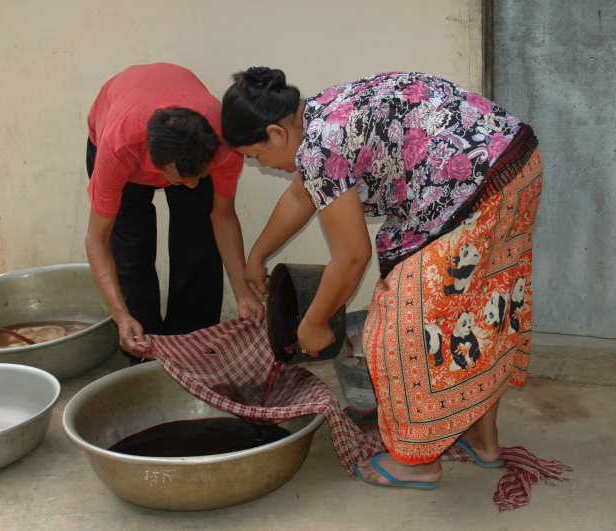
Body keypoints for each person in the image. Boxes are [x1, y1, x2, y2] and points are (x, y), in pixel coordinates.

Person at [221, 67, 543, 489]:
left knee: (396, 331)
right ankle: (482, 438)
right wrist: (255, 258)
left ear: (276, 134)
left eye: (255, 155)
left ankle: (417, 462)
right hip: (515, 164)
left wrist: (314, 323)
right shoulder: (323, 113)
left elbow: (353, 257)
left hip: (468, 189)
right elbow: (303, 194)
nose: (262, 164)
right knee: (480, 311)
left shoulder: (318, 146)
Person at [85, 63, 263, 364]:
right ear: (158, 164)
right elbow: (97, 240)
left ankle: (191, 348)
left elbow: (222, 217)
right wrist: (120, 314)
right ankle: (143, 348)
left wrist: (243, 293)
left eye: (200, 175)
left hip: (188, 144)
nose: (193, 185)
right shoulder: (119, 150)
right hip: (121, 126)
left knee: (199, 240)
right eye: (182, 178)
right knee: (131, 248)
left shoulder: (224, 144)